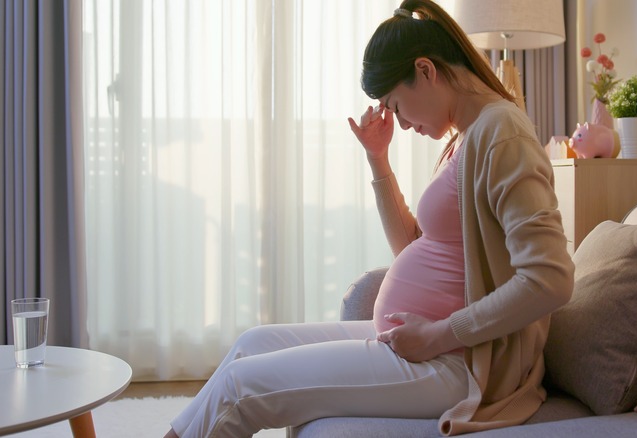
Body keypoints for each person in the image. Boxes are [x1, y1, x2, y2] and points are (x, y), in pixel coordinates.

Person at [165, 1, 573, 436]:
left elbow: (549, 279)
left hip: (463, 364)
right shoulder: (466, 135)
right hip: (429, 347)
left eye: (395, 105)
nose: (400, 120)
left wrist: (436, 335)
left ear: (426, 71)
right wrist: (378, 159)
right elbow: (413, 246)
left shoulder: (501, 133)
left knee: (240, 389)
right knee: (252, 344)